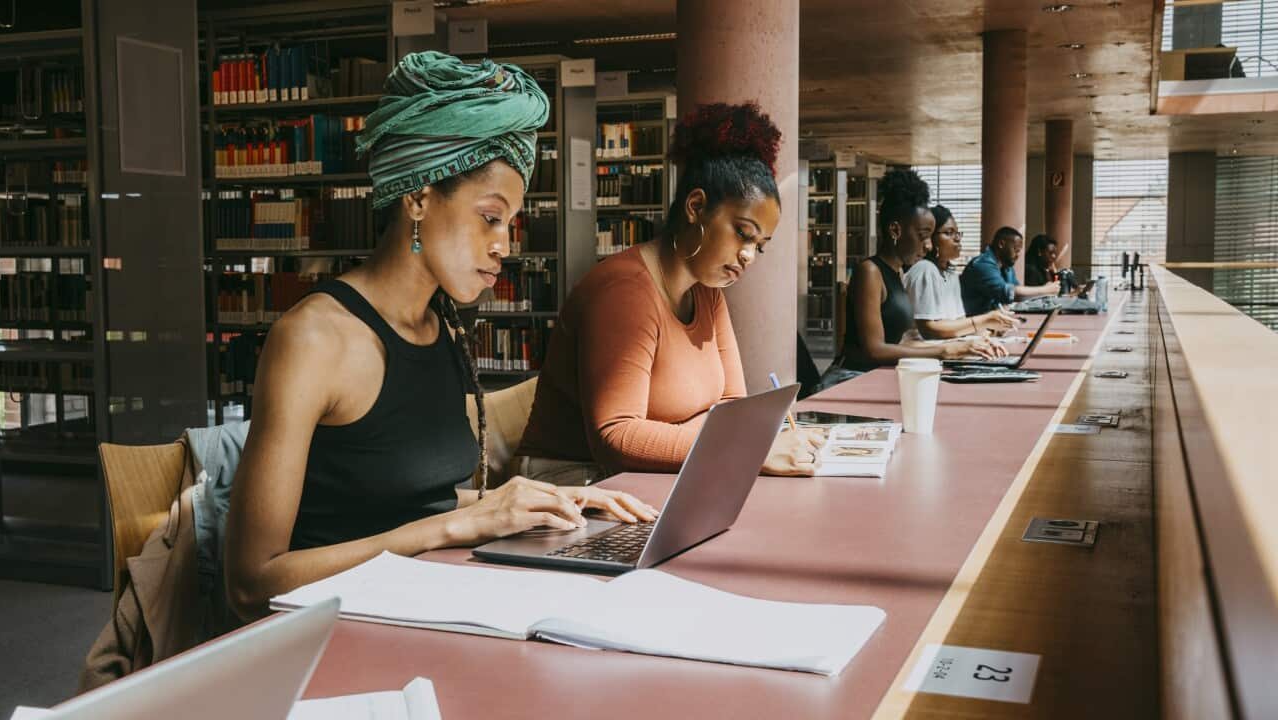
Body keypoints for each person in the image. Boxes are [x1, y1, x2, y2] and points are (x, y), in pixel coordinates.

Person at [223, 52, 655, 621]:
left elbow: (403, 497)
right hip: (328, 633)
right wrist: (453, 525)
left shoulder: (440, 324)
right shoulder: (313, 339)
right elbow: (252, 582)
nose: (505, 244)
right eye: (490, 217)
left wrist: (531, 502)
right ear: (420, 198)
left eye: (512, 224)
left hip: (420, 605)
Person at [515, 102, 826, 480]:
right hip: (572, 482)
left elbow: (730, 405)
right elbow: (617, 436)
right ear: (696, 207)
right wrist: (743, 447)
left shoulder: (707, 290)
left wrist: (730, 440)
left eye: (759, 245)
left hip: (651, 476)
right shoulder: (624, 293)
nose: (749, 256)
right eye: (743, 233)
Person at [834, 169, 1001, 374]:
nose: (929, 246)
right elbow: (874, 350)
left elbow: (901, 341)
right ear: (895, 230)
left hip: (880, 374)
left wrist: (967, 346)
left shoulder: (898, 272)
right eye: (923, 236)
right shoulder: (870, 272)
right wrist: (945, 350)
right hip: (852, 378)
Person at [904, 205, 1016, 340]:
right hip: (922, 354)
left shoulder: (950, 274)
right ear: (931, 238)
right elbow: (929, 330)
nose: (957, 238)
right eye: (948, 233)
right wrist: (984, 320)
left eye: (957, 233)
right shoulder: (925, 269)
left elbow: (958, 322)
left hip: (947, 348)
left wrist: (989, 330)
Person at [960, 226, 1061, 315]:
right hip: (973, 323)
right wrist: (1045, 290)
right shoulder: (982, 264)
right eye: (1016, 250)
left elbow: (1018, 295)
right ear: (1001, 244)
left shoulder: (1007, 266)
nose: (1018, 255)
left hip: (992, 321)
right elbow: (1009, 293)